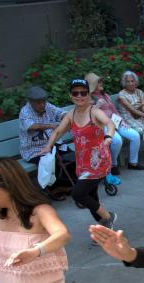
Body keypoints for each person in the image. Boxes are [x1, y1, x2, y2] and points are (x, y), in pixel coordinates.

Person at [41, 78, 117, 229]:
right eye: (75, 93)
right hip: (82, 163)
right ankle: (105, 226)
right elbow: (57, 131)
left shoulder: (94, 112)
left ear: (88, 95)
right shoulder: (71, 115)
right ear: (71, 96)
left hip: (98, 161)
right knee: (92, 196)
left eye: (83, 93)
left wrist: (108, 137)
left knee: (78, 194)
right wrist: (47, 147)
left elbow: (110, 123)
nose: (79, 96)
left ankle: (108, 216)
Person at [86, 71, 144, 170]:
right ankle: (113, 164)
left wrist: (122, 120)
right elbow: (89, 115)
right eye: (99, 82)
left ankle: (133, 163)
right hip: (102, 125)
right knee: (117, 141)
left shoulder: (105, 95)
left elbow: (114, 109)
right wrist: (98, 105)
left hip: (115, 122)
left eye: (100, 81)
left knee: (135, 135)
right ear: (93, 85)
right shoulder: (88, 99)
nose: (101, 83)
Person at [115, 71, 144, 167]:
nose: (131, 83)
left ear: (136, 82)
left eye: (133, 81)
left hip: (140, 115)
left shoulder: (139, 92)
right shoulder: (121, 95)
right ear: (124, 83)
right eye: (128, 81)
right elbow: (131, 110)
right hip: (128, 117)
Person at [18, 85, 66, 163]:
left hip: (53, 144)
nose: (43, 105)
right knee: (53, 164)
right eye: (39, 102)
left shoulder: (47, 106)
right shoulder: (25, 112)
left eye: (44, 101)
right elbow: (32, 126)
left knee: (71, 157)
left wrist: (66, 118)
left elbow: (60, 113)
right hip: (34, 150)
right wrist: (50, 126)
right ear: (30, 102)